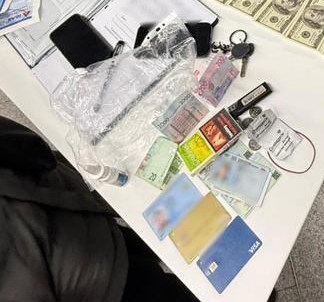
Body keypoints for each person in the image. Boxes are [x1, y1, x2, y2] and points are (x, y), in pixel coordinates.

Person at [0, 115, 198, 302]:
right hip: (96, 280)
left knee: (150, 248)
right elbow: (29, 147)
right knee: (161, 285)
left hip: (82, 229)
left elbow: (28, 147)